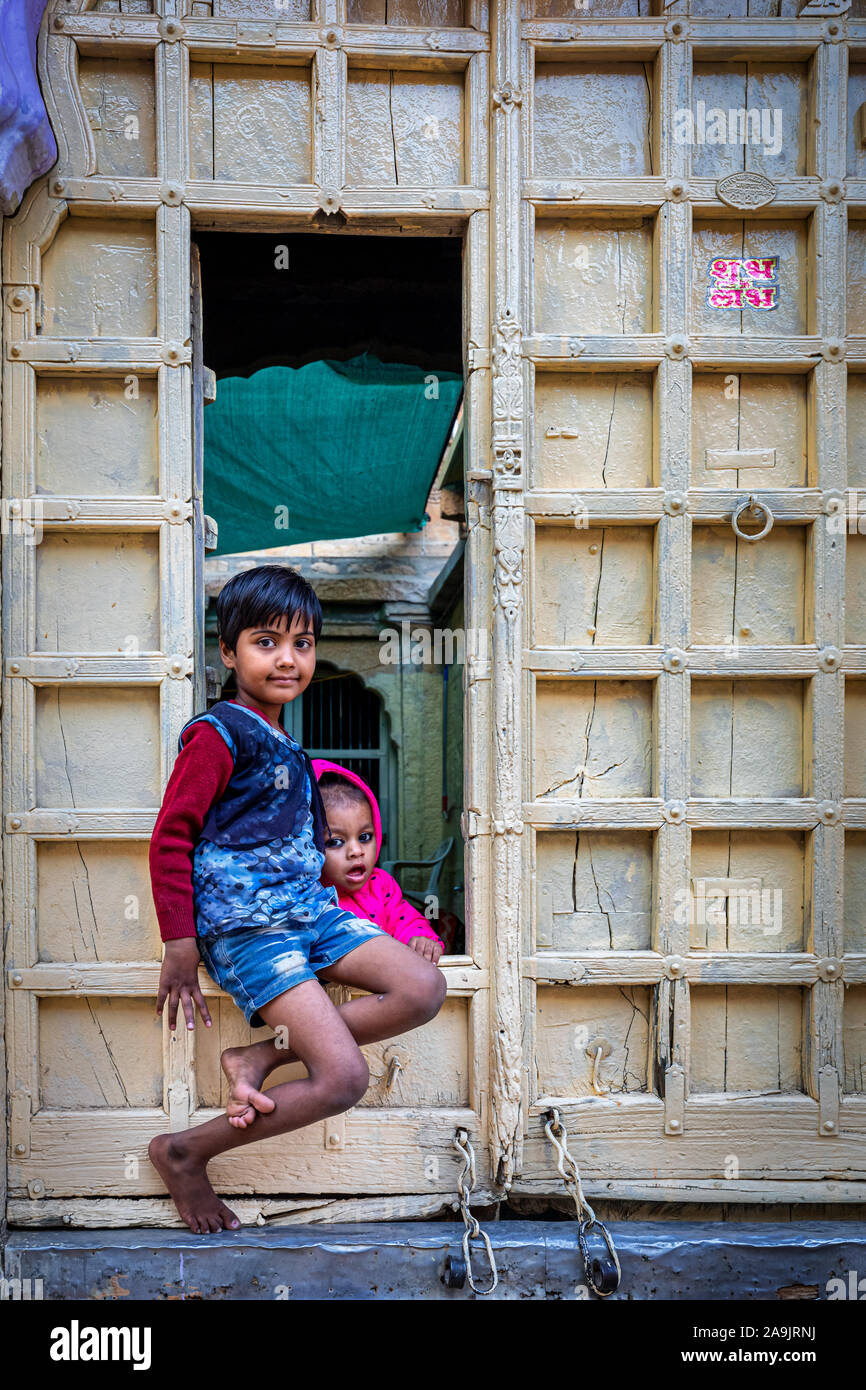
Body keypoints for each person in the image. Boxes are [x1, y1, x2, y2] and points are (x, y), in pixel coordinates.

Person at [147, 565, 447, 1234]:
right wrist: (179, 942)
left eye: (303, 643)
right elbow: (170, 839)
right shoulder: (217, 734)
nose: (288, 658)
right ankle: (185, 1152)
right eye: (265, 641)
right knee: (342, 1080)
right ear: (227, 652)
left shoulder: (285, 740)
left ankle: (262, 1057)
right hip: (253, 932)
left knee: (422, 987)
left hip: (310, 916)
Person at [313, 759, 446, 964]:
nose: (356, 851)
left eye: (365, 837)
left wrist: (420, 940)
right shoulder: (308, 893)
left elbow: (405, 920)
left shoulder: (381, 885)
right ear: (309, 844)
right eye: (336, 842)